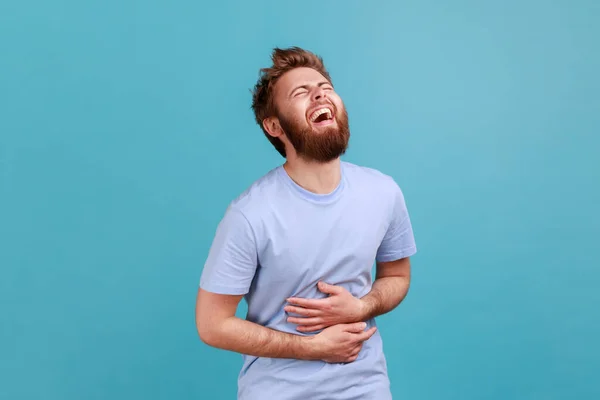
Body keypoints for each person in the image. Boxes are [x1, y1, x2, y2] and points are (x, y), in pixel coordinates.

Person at [195, 46, 417, 400]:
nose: (319, 94)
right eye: (301, 92)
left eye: (325, 87)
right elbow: (211, 325)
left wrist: (363, 306)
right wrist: (312, 347)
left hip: (367, 388)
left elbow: (397, 276)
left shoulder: (383, 192)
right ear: (274, 126)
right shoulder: (250, 215)